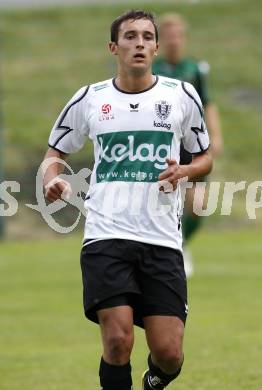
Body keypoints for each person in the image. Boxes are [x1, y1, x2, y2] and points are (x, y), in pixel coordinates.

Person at [42, 10, 212, 390]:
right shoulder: (89, 99)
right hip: (107, 235)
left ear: (155, 47)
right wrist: (52, 179)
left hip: (162, 239)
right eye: (131, 36)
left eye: (147, 37)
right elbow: (54, 155)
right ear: (113, 47)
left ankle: (155, 381)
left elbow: (205, 157)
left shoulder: (181, 95)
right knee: (118, 341)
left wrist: (185, 171)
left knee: (169, 353)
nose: (139, 43)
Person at [153, 13, 223, 277]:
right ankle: (163, 250)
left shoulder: (196, 69)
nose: (174, 40)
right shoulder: (153, 70)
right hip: (164, 146)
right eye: (168, 34)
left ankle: (179, 246)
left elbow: (208, 104)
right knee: (160, 204)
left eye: (178, 34)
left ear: (184, 38)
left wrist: (216, 136)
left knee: (198, 204)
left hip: (192, 146)